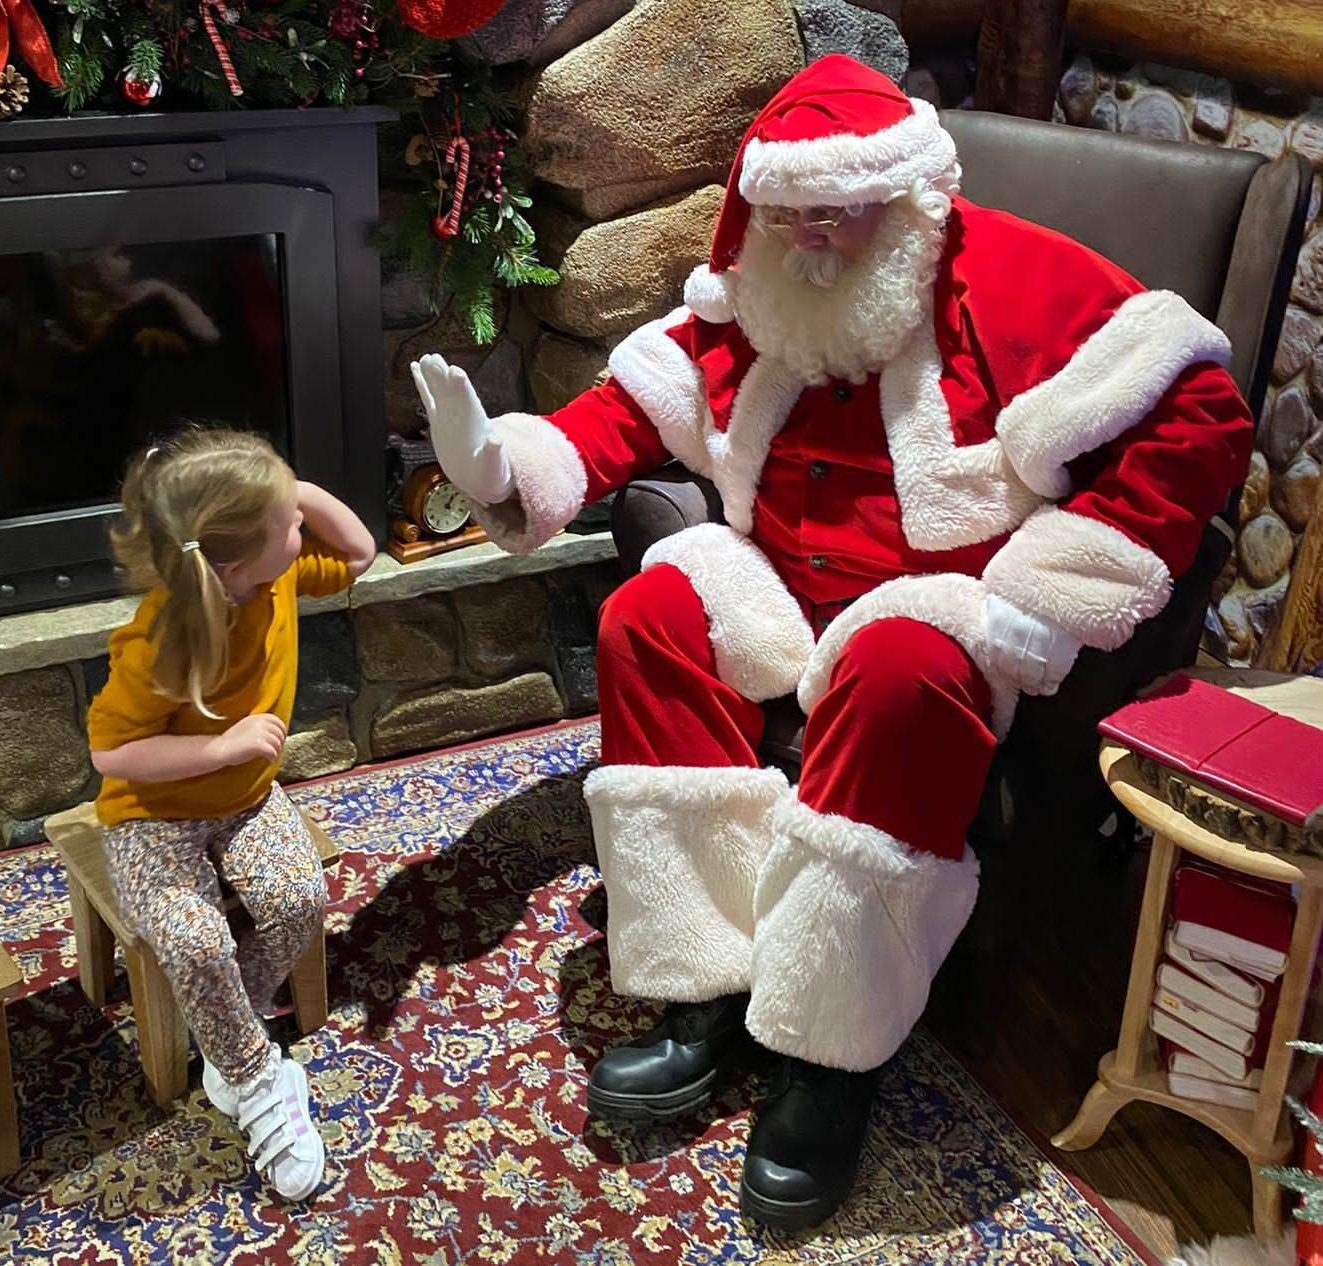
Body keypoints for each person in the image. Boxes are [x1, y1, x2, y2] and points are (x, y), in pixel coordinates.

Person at [411, 55, 1252, 1230]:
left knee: (894, 666)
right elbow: (626, 411)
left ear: (904, 194)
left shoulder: (1015, 276)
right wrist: (505, 464)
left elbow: (1198, 408)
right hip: (779, 584)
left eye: (839, 211)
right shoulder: (758, 282)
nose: (811, 239)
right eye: (791, 213)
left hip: (936, 607)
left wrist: (1041, 594)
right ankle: (707, 985)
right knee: (648, 615)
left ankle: (829, 1056)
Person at [86, 424, 375, 1200]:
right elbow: (111, 756)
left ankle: (224, 1035)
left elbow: (358, 554)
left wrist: (293, 490)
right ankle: (252, 1075)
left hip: (245, 799)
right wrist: (221, 749)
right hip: (152, 813)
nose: (302, 530)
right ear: (231, 562)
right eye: (290, 525)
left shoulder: (272, 577)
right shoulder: (157, 641)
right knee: (193, 936)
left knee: (297, 897)